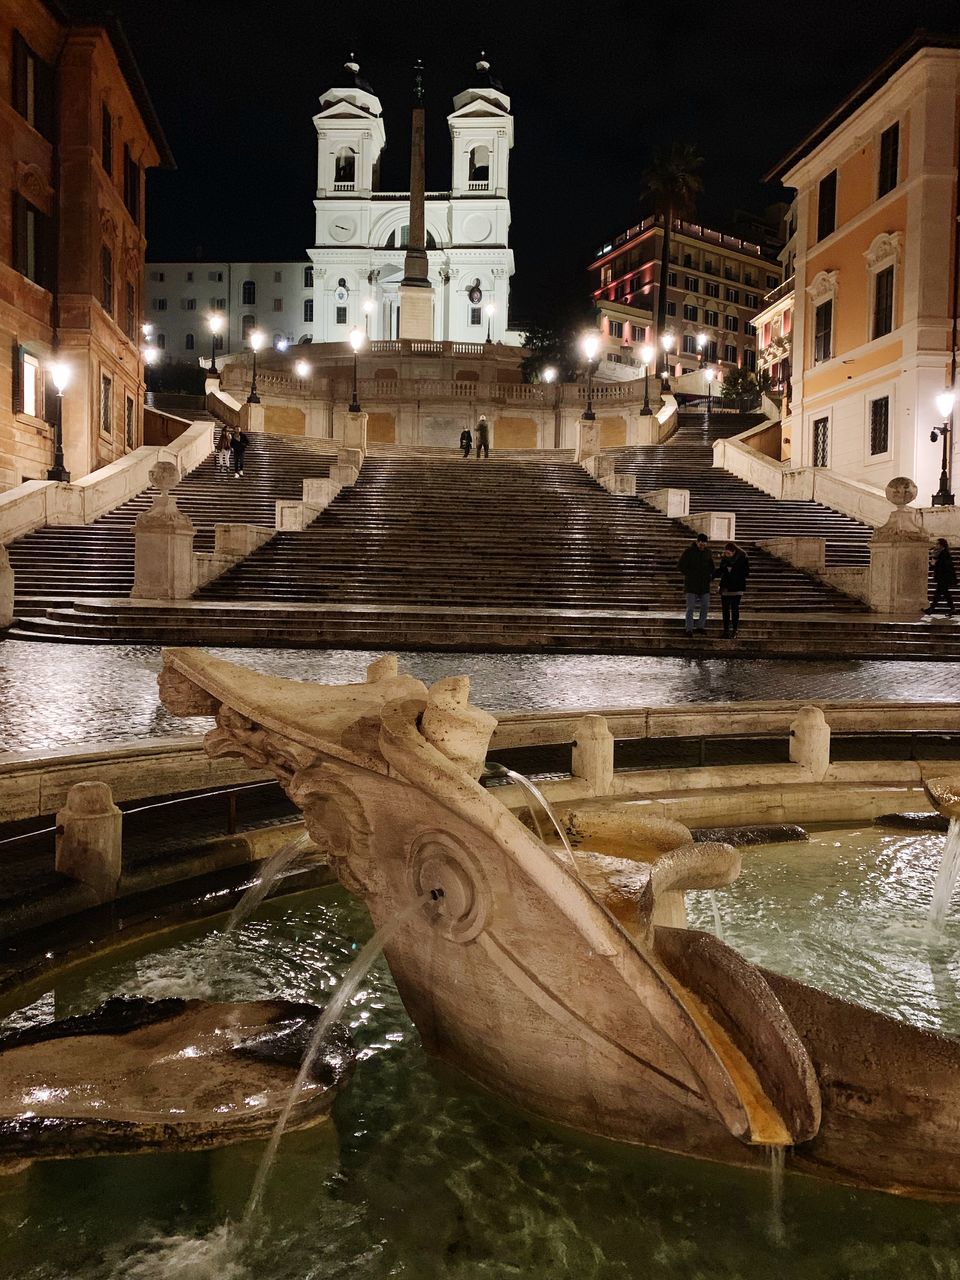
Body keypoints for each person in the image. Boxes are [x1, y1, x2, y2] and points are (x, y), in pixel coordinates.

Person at [678, 533, 714, 635]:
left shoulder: (708, 553)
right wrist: (691, 574)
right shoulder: (689, 552)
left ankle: (700, 626)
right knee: (690, 607)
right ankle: (689, 628)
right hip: (691, 585)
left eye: (704, 542)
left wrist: (710, 576)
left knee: (705, 606)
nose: (703, 544)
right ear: (697, 542)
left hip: (704, 585)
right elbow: (681, 566)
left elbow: (711, 566)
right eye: (701, 542)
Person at [716, 541, 750, 638]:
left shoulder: (743, 558)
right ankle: (726, 631)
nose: (727, 555)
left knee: (735, 609)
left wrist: (734, 570)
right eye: (725, 553)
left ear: (734, 552)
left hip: (737, 587)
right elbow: (721, 571)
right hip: (726, 587)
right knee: (725, 610)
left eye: (729, 553)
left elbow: (746, 572)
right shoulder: (725, 558)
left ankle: (735, 630)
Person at [923, 538, 957, 616]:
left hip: (944, 577)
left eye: (937, 544)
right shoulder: (940, 553)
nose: (936, 545)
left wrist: (934, 561)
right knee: (943, 593)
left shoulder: (944, 553)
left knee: (940, 593)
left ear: (942, 545)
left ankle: (932, 609)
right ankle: (951, 609)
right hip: (942, 577)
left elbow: (944, 566)